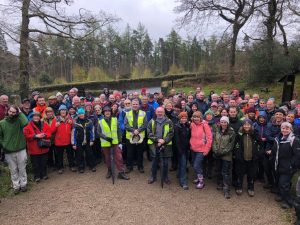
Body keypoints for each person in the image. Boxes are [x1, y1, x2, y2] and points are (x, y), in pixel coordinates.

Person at [0, 105, 28, 194]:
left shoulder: (19, 120)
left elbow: (26, 122)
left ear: (16, 113)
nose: (11, 113)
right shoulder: (2, 123)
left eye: (14, 112)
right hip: (8, 150)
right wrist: (4, 145)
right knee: (13, 170)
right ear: (7, 111)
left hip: (21, 148)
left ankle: (23, 185)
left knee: (22, 168)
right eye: (10, 111)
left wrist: (20, 113)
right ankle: (16, 186)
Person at [271, 122, 300, 209]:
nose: (284, 130)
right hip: (278, 165)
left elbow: (297, 155)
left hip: (288, 167)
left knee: (283, 184)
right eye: (283, 128)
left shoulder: (294, 140)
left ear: (291, 129)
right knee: (282, 183)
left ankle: (290, 202)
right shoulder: (278, 138)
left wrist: (292, 165)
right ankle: (283, 196)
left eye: (287, 128)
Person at [97, 106, 129, 180]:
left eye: (109, 111)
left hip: (115, 142)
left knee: (119, 157)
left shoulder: (115, 119)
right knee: (108, 159)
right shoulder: (100, 121)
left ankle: (121, 172)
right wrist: (106, 138)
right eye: (105, 111)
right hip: (106, 143)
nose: (107, 112)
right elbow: (98, 132)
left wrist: (120, 142)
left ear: (111, 112)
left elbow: (119, 131)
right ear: (103, 113)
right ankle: (110, 171)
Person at [147, 107, 174, 185]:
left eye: (161, 112)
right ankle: (153, 176)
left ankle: (165, 177)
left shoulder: (169, 121)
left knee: (165, 163)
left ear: (164, 112)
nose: (160, 113)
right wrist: (157, 140)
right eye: (158, 112)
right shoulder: (151, 121)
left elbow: (171, 133)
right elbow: (149, 133)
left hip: (166, 144)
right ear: (156, 112)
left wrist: (164, 141)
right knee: (154, 162)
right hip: (154, 144)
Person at [24, 111, 51, 182]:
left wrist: (44, 135)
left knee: (44, 162)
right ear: (32, 117)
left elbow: (49, 132)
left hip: (44, 147)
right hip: (34, 148)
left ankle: (44, 174)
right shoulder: (28, 126)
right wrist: (35, 136)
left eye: (38, 116)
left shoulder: (44, 124)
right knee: (35, 164)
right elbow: (26, 136)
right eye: (34, 116)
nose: (36, 117)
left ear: (40, 117)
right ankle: (37, 176)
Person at [235, 119, 260, 197]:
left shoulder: (255, 134)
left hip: (252, 158)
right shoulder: (239, 135)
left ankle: (250, 187)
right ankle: (239, 186)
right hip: (241, 158)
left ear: (251, 126)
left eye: (248, 124)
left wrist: (257, 153)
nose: (246, 126)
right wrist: (237, 154)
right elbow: (235, 145)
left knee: (251, 174)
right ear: (242, 126)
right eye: (245, 125)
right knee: (240, 173)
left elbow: (260, 144)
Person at [212, 116, 236, 199]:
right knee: (218, 170)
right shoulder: (217, 130)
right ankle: (220, 183)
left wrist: (222, 152)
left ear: (227, 123)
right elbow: (214, 141)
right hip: (217, 154)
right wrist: (215, 150)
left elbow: (231, 145)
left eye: (225, 122)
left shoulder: (231, 132)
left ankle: (226, 190)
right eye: (222, 122)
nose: (223, 124)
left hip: (226, 155)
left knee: (225, 172)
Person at [189, 111, 213, 189]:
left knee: (196, 165)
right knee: (195, 164)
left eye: (198, 117)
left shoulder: (205, 125)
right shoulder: (192, 124)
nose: (196, 118)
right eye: (194, 117)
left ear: (200, 118)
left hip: (201, 149)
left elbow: (209, 138)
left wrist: (207, 149)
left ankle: (201, 181)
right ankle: (198, 177)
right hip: (193, 148)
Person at [124, 99, 147, 173]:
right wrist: (133, 130)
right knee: (130, 153)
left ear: (139, 105)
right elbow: (125, 124)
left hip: (140, 136)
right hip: (130, 136)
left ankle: (140, 167)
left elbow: (145, 124)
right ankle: (129, 167)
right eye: (133, 104)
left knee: (140, 153)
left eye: (136, 104)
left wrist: (138, 130)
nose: (135, 105)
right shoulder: (127, 113)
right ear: (131, 105)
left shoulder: (143, 113)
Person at [51, 105, 75, 174]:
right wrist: (55, 126)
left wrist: (72, 123)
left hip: (68, 141)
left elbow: (74, 128)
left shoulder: (69, 119)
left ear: (66, 111)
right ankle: (60, 168)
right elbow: (51, 131)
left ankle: (72, 166)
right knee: (59, 156)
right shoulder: (55, 120)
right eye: (62, 110)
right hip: (59, 142)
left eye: (64, 110)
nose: (63, 111)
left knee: (70, 155)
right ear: (59, 111)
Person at [72, 108, 96, 173]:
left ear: (84, 113)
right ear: (78, 114)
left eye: (82, 113)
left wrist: (92, 140)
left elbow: (92, 131)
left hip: (88, 141)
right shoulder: (76, 123)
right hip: (79, 141)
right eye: (79, 114)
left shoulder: (89, 121)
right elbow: (73, 134)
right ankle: (81, 167)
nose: (81, 115)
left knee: (90, 153)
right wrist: (74, 143)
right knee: (79, 154)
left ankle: (92, 166)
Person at [174, 112, 190, 190]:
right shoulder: (177, 127)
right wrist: (179, 150)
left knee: (183, 163)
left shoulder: (187, 126)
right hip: (181, 149)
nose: (184, 119)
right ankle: (183, 182)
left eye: (185, 118)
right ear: (179, 119)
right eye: (182, 118)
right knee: (183, 165)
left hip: (187, 148)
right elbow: (177, 140)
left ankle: (179, 174)